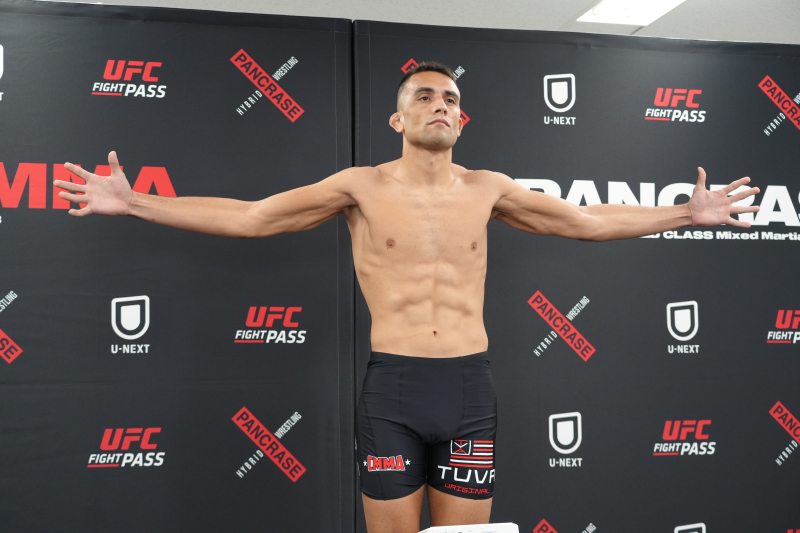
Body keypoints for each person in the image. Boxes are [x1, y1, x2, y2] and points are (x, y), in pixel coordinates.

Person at [55, 62, 760, 533]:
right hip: (393, 390)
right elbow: (251, 218)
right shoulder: (359, 186)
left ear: (462, 121)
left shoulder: (488, 187)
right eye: (423, 96)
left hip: (468, 388)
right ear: (398, 121)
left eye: (449, 98)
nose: (439, 104)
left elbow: (585, 222)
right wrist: (136, 202)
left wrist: (683, 213)